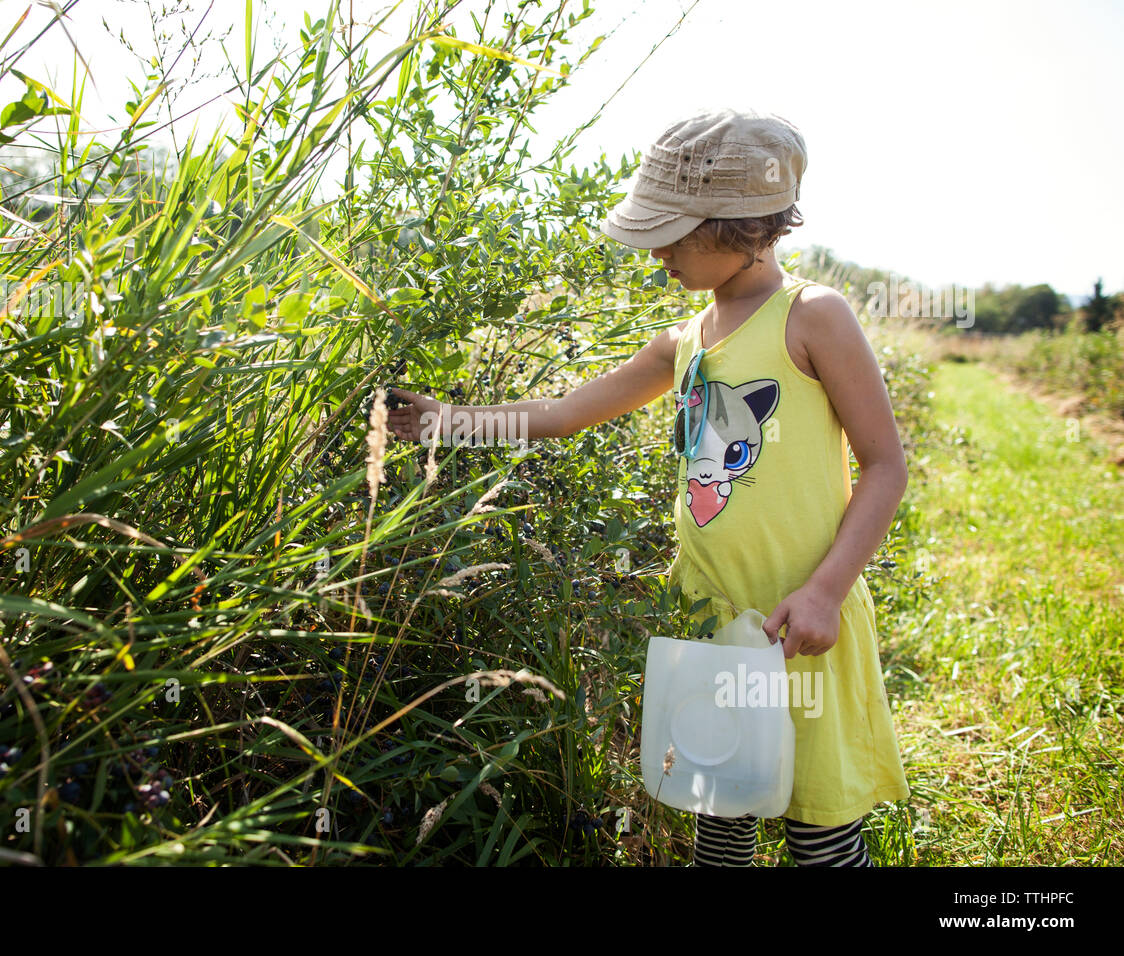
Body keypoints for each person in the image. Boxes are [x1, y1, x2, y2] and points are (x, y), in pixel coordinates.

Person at [384, 108, 911, 866]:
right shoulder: (684, 340)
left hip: (803, 624)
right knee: (719, 818)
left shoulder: (814, 318)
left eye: (672, 231)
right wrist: (453, 423)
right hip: (711, 616)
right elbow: (564, 414)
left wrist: (828, 590)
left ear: (736, 226)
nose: (655, 249)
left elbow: (884, 465)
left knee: (820, 838)